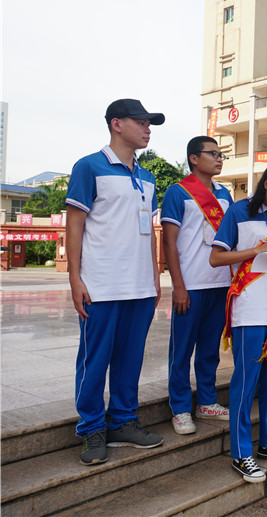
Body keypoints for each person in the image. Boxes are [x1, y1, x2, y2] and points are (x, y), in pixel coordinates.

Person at [66, 98, 166, 466]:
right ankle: (91, 426)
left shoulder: (148, 175)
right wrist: (74, 278)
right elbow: (74, 224)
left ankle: (123, 419)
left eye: (149, 123)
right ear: (116, 124)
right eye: (141, 122)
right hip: (102, 283)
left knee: (130, 358)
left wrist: (156, 277)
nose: (147, 128)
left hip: (140, 285)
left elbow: (149, 232)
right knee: (95, 360)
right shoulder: (89, 167)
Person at [210, 162, 267, 483]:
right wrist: (257, 250)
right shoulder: (237, 211)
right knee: (246, 380)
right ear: (266, 185)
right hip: (248, 307)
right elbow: (217, 257)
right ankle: (240, 453)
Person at [161, 136, 233, 435]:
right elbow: (169, 242)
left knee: (209, 349)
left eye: (220, 155)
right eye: (212, 153)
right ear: (194, 158)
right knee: (181, 351)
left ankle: (206, 401)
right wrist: (178, 285)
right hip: (190, 284)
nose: (218, 159)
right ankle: (179, 408)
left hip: (220, 283)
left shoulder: (226, 194)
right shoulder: (178, 193)